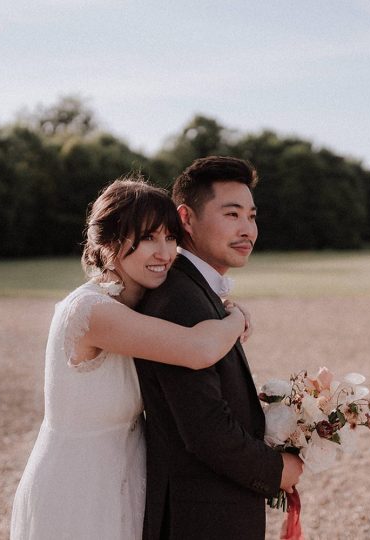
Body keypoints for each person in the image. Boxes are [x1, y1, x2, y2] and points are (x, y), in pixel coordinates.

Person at [10, 177, 252, 540]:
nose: (164, 253)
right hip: (81, 485)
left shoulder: (139, 306)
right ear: (109, 243)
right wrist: (235, 317)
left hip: (129, 478)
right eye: (148, 238)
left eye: (170, 238)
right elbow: (197, 350)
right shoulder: (91, 310)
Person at [134, 156, 304, 540]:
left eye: (252, 216)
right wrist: (278, 470)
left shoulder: (197, 290)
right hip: (198, 519)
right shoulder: (180, 300)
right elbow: (205, 429)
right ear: (186, 219)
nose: (248, 229)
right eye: (232, 214)